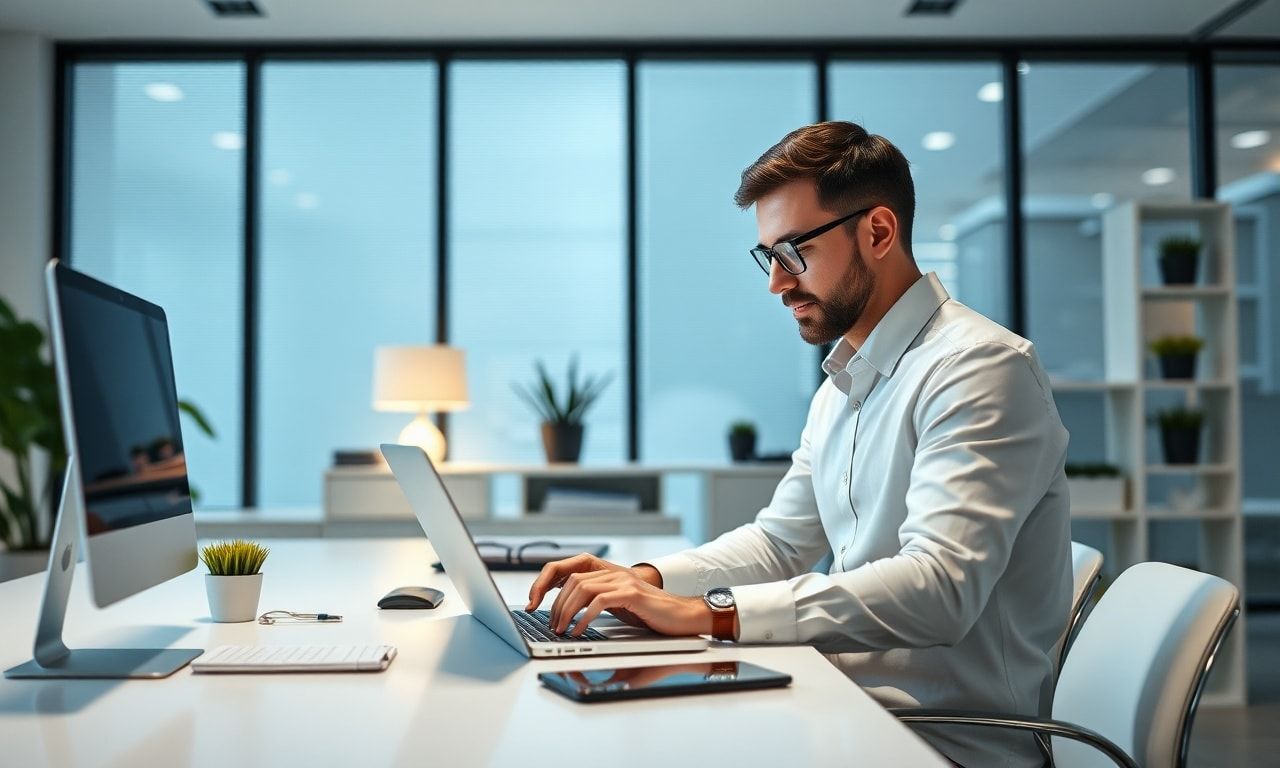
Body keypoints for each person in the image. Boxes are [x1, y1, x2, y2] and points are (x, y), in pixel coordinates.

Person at [526, 121, 1071, 768]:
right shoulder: (845, 382)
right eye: (769, 257)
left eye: (794, 252)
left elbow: (939, 589)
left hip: (938, 742)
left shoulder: (980, 369)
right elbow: (782, 543)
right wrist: (644, 582)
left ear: (877, 233)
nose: (777, 284)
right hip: (842, 706)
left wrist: (708, 614)